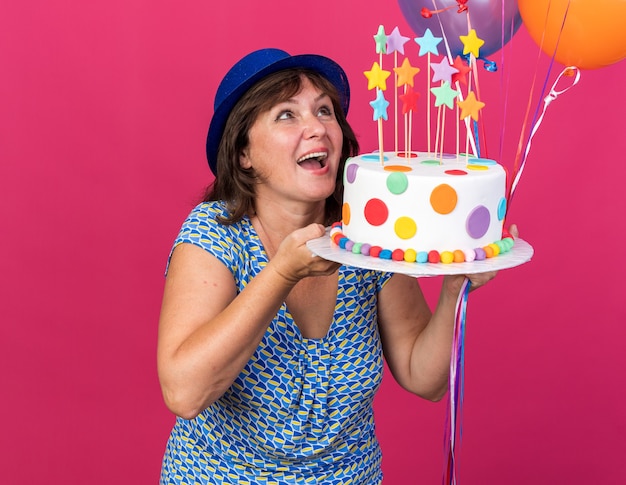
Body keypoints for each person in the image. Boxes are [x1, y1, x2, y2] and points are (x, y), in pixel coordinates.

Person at [157, 48, 517, 484]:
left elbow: (426, 378)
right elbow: (184, 392)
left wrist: (456, 286)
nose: (317, 128)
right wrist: (282, 273)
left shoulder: (366, 232)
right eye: (286, 115)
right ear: (242, 153)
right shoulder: (215, 232)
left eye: (324, 111)